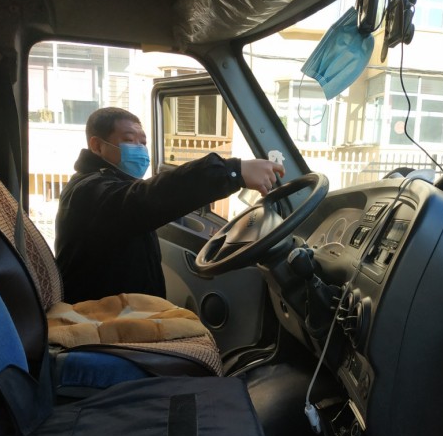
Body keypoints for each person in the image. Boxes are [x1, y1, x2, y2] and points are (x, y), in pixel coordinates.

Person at [55, 107, 285, 303]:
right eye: (129, 140)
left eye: (143, 142)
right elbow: (143, 199)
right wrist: (232, 172)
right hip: (99, 319)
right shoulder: (87, 190)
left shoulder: (110, 184)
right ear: (97, 146)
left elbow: (150, 204)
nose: (140, 148)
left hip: (125, 310)